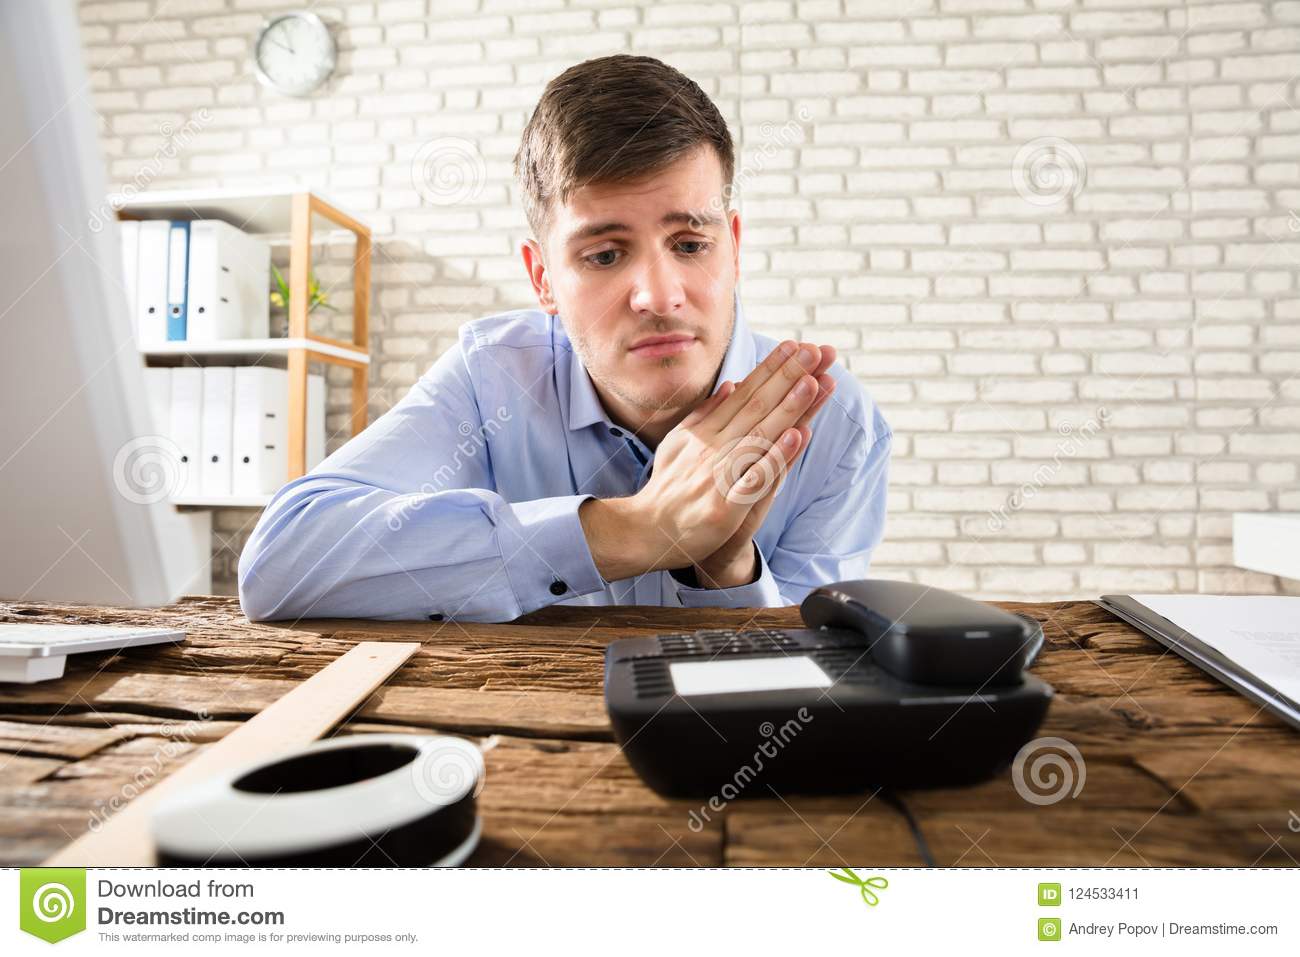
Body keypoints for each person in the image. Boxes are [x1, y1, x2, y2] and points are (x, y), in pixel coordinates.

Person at [238, 54, 892, 623]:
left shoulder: (836, 424)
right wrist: (639, 529)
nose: (659, 295)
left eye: (690, 243)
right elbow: (282, 563)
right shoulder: (490, 377)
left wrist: (724, 572)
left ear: (735, 248)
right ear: (542, 277)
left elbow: (804, 683)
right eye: (605, 255)